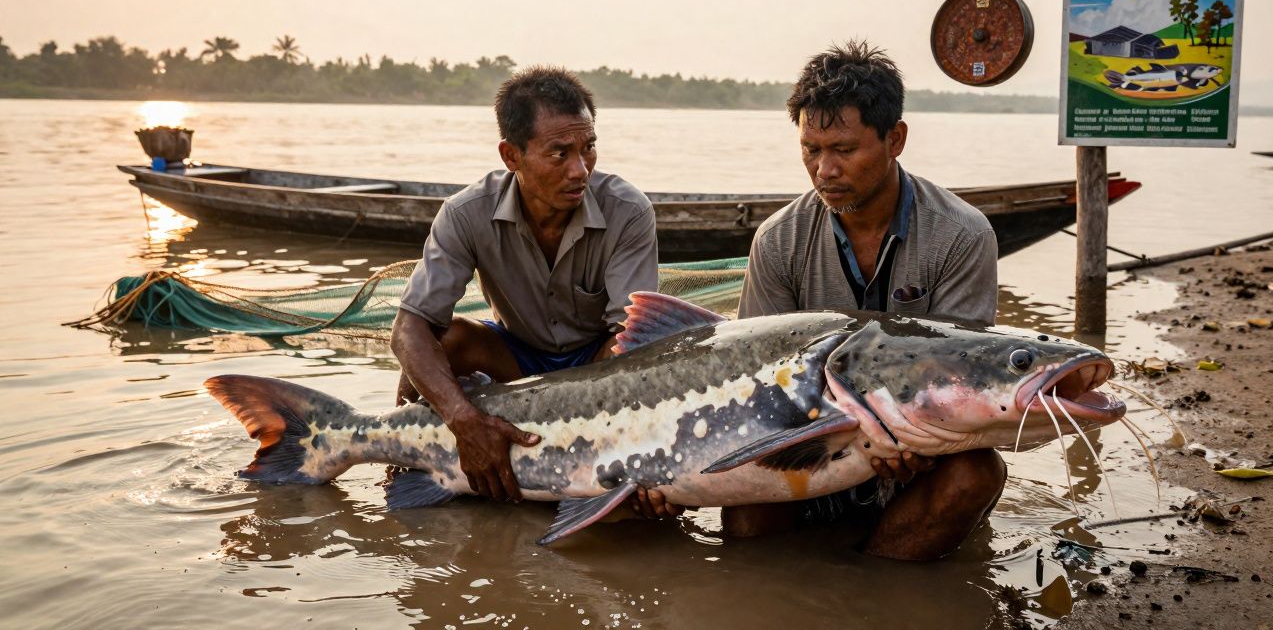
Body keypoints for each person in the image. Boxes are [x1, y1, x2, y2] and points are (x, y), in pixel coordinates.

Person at [731, 39, 1006, 560]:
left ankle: (874, 585)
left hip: (920, 442)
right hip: (811, 437)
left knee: (975, 473)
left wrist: (908, 444)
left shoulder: (962, 235)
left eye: (844, 150)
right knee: (744, 482)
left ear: (895, 138)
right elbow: (756, 377)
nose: (824, 171)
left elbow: (964, 377)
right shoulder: (778, 240)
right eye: (811, 150)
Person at [390, 66, 677, 518]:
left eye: (589, 149)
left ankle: (599, 476)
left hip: (597, 359)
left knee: (636, 351)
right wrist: (463, 420)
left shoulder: (628, 210)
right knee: (438, 346)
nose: (579, 170)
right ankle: (412, 463)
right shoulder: (466, 213)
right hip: (515, 355)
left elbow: (633, 341)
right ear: (512, 155)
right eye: (559, 153)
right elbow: (410, 327)